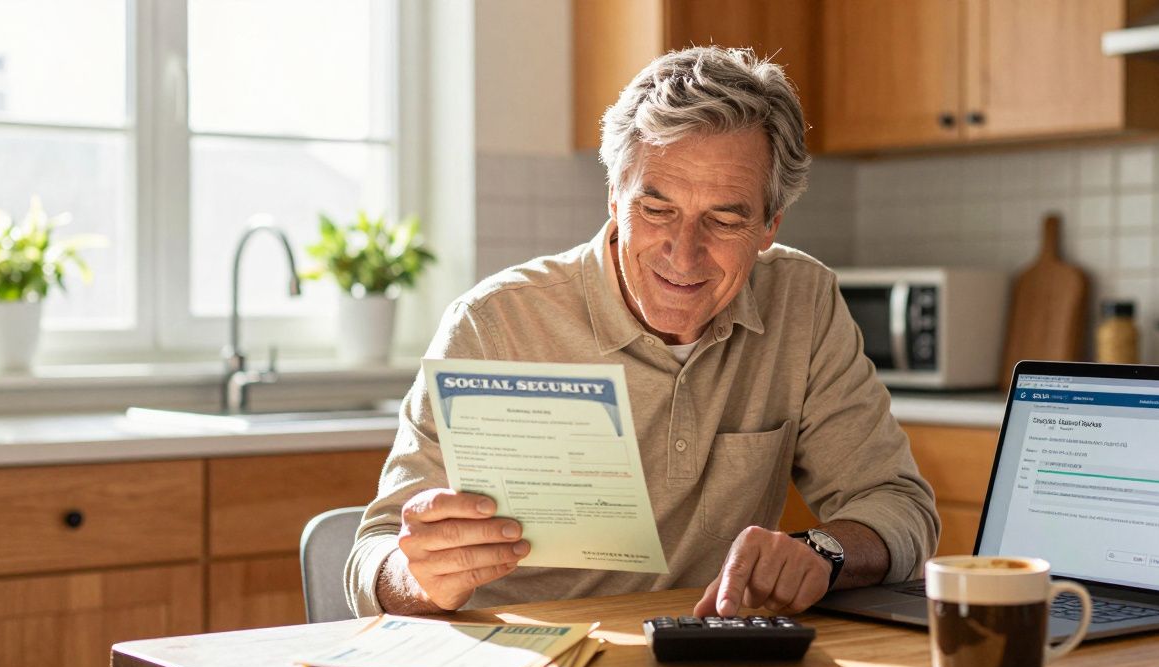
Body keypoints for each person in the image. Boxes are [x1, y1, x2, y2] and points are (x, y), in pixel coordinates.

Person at [345, 46, 939, 619]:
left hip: (712, 662)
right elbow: (371, 558)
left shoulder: (802, 303)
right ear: (614, 198)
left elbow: (901, 506)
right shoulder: (496, 322)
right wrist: (414, 575)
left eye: (725, 219)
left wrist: (824, 553)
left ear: (768, 225)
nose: (684, 254)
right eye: (656, 211)